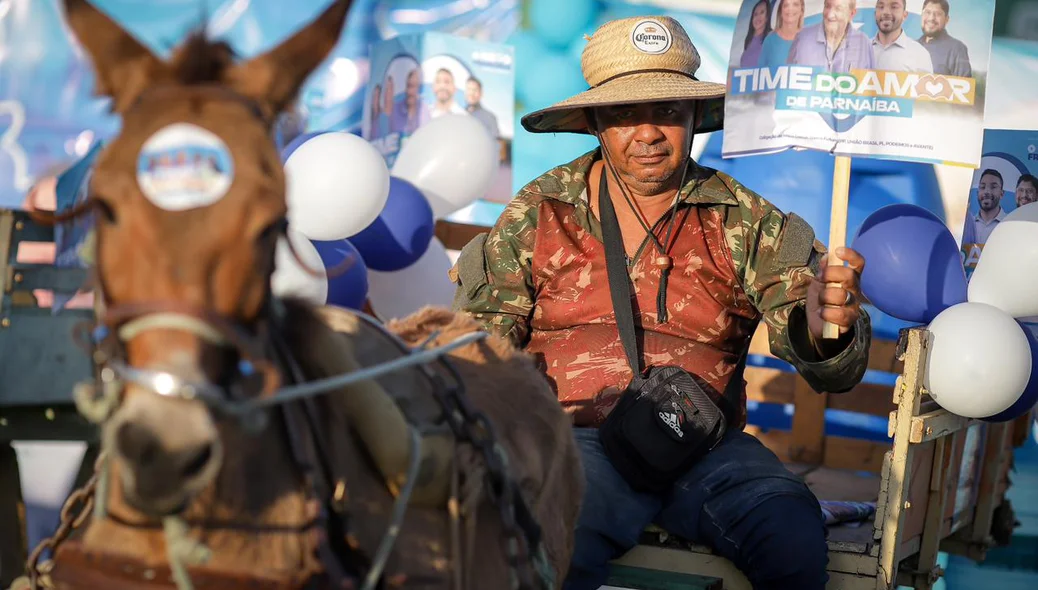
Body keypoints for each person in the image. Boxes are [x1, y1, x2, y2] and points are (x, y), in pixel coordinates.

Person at [451, 15, 871, 590]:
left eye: (668, 112)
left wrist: (827, 331)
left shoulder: (743, 218)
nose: (647, 133)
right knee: (556, 542)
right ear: (596, 122)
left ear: (695, 119)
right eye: (624, 114)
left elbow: (828, 360)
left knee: (790, 531)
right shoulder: (541, 210)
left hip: (704, 446)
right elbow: (481, 341)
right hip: (577, 442)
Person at [787, 0, 874, 72]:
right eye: (827, 6)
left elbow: (869, 88)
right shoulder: (802, 37)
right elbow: (788, 82)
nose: (830, 15)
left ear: (851, 14)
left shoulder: (864, 43)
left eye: (838, 9)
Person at [871, 0, 933, 72]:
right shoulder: (862, 48)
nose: (885, 12)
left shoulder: (920, 54)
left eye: (894, 7)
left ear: (904, 15)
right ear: (875, 14)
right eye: (881, 7)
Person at [918, 0, 972, 78]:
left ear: (946, 20)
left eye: (938, 14)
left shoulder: (957, 48)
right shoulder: (911, 45)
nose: (931, 18)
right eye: (927, 12)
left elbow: (965, 87)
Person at [962, 168, 1007, 246]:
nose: (987, 192)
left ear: (1002, 194)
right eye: (982, 187)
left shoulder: (1009, 223)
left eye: (993, 187)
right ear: (977, 193)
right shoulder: (966, 225)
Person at [760, 0, 805, 69]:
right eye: (786, 5)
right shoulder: (770, 40)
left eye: (795, 4)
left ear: (801, 11)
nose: (790, 9)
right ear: (781, 11)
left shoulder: (807, 38)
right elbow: (759, 72)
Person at [739, 0, 771, 68]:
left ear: (767, 16)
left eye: (762, 12)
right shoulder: (748, 39)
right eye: (755, 14)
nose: (758, 17)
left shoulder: (771, 37)